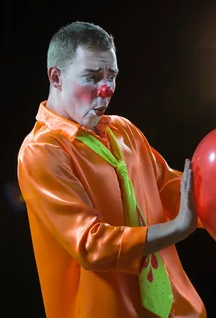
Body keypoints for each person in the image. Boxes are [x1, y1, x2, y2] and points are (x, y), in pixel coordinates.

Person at [17, 22, 206, 318]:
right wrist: (177, 229)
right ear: (56, 77)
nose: (105, 90)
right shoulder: (42, 151)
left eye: (112, 76)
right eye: (92, 77)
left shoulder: (124, 131)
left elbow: (172, 190)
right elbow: (91, 245)